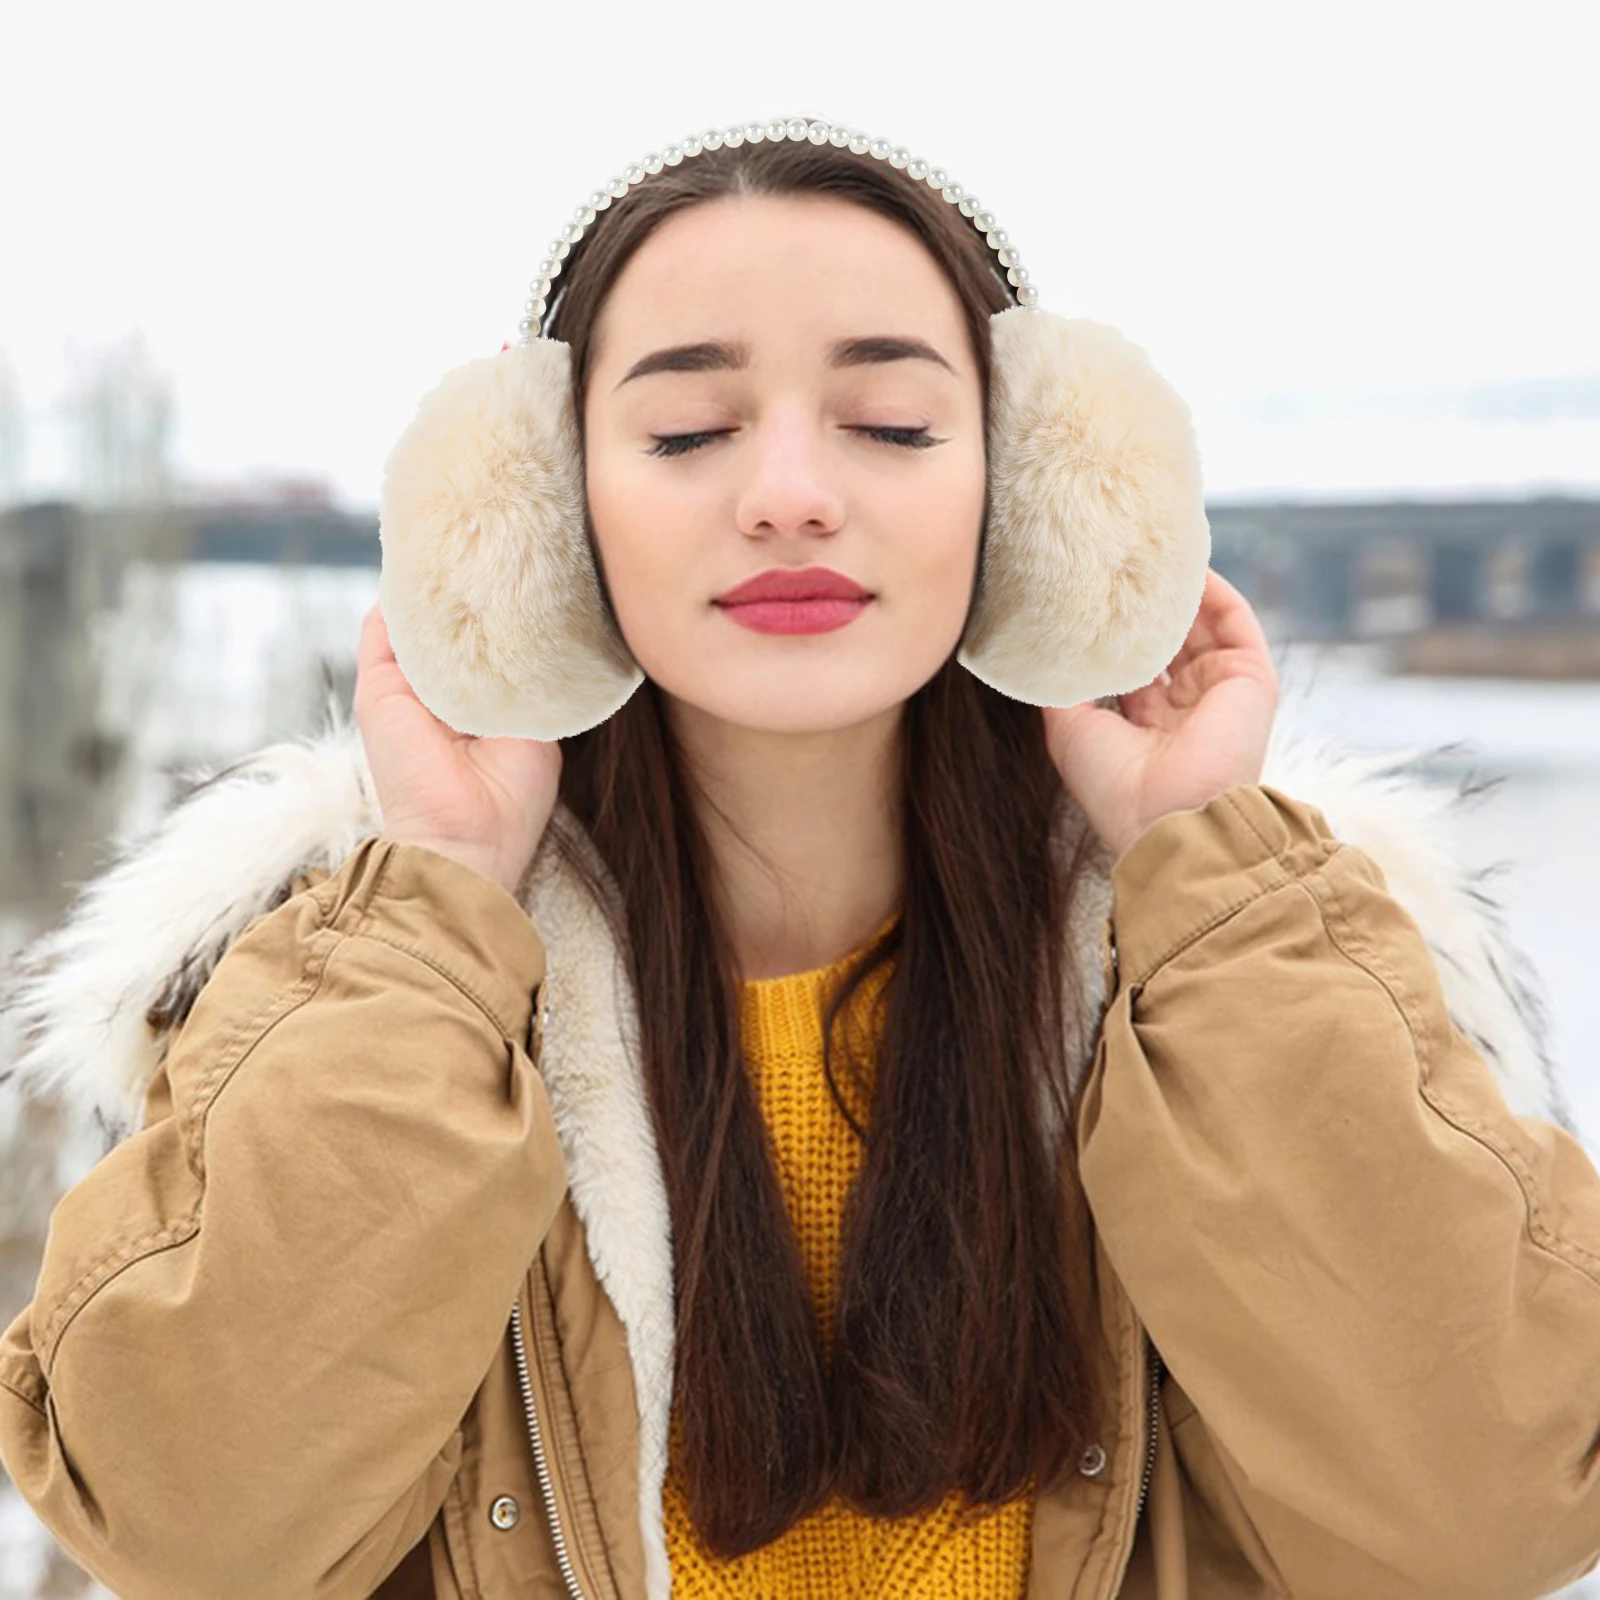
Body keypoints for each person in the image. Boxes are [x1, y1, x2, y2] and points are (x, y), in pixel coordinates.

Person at [3, 116, 1599, 1600]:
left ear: (1031, 491)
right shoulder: (350, 986)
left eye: (893, 421)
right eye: (690, 429)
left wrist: (1207, 878)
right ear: (545, 510)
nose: (788, 497)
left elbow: (1489, 1512)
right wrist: (433, 899)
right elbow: (192, 1526)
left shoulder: (1254, 961)